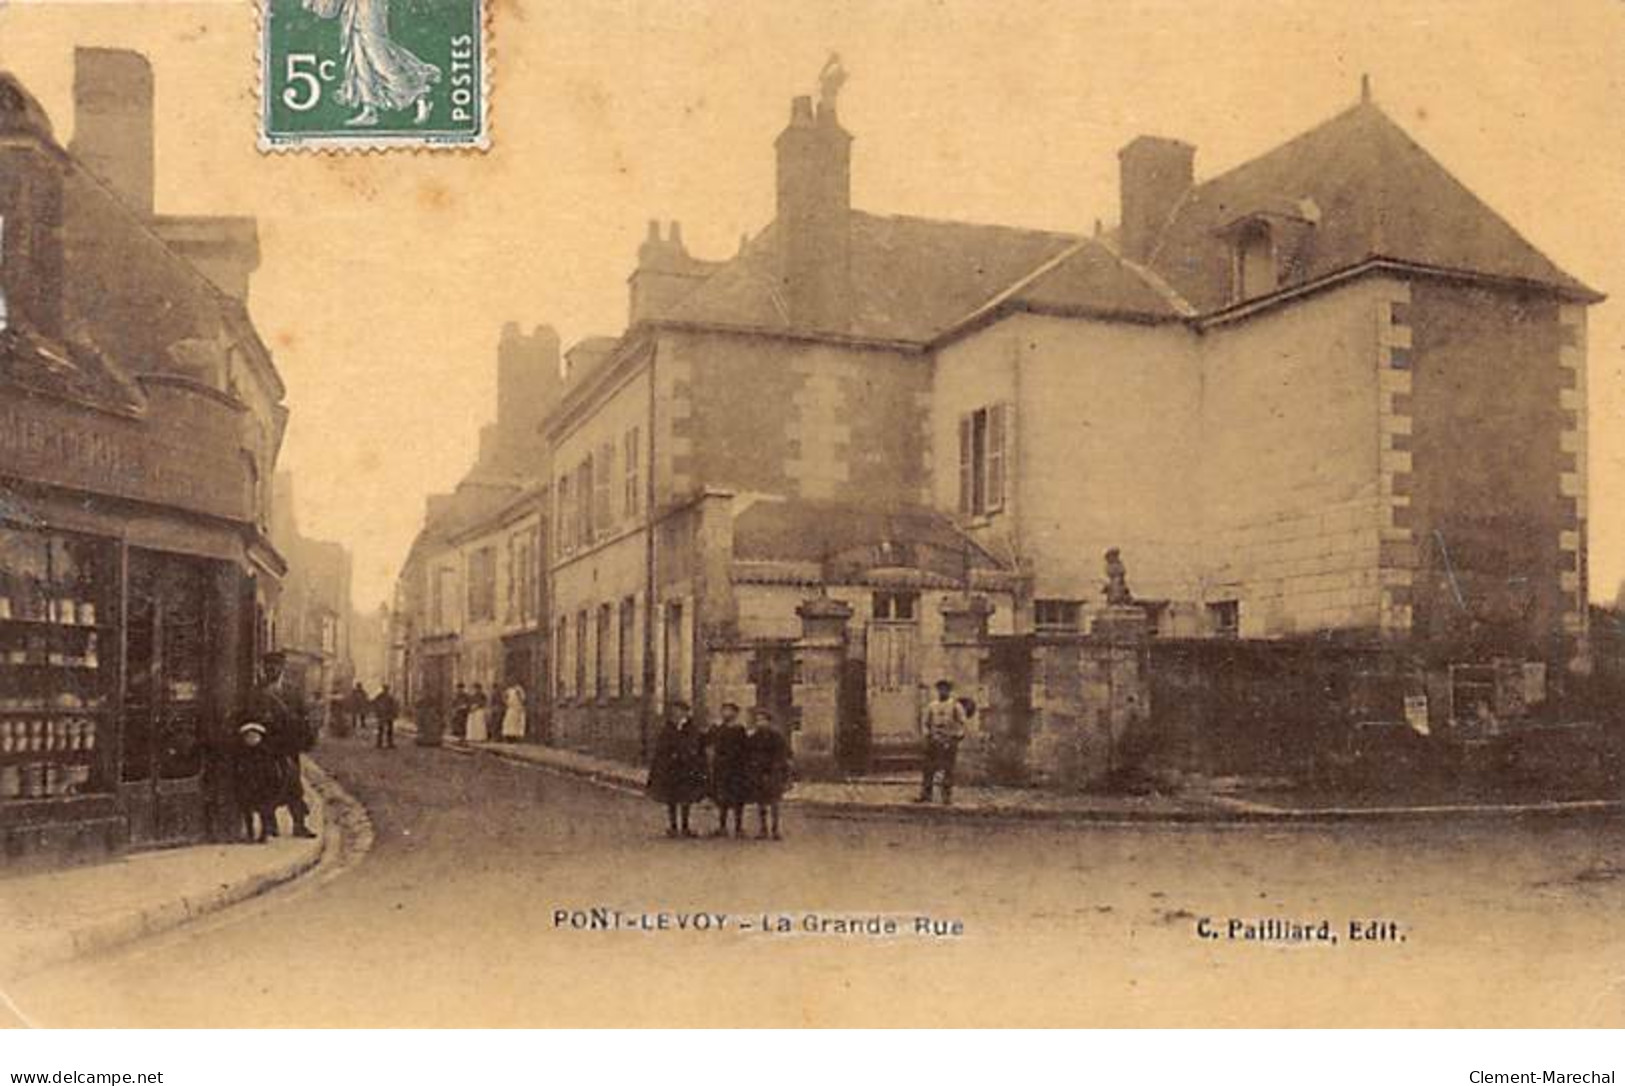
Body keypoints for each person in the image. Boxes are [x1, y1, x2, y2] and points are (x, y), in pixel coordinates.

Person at [299, 0, 441, 128]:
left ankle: (420, 94)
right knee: (358, 54)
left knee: (379, 56)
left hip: (371, 6)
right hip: (354, 7)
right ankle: (369, 108)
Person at [253, 652, 317, 838]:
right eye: (268, 666)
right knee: (266, 785)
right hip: (267, 747)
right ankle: (269, 825)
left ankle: (299, 824)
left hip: (288, 746)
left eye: (275, 666)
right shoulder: (258, 692)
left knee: (293, 786)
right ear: (264, 668)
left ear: (282, 668)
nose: (272, 670)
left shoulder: (291, 691)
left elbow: (303, 716)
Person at [646, 700, 707, 838]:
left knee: (686, 798)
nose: (677, 713)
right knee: (671, 798)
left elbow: (696, 745)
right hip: (671, 769)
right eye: (675, 711)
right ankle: (673, 827)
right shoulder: (668, 728)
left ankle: (685, 827)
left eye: (680, 710)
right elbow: (661, 746)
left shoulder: (692, 728)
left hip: (686, 768)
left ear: (686, 712)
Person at [742, 707, 792, 840]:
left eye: (763, 720)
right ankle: (763, 829)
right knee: (761, 802)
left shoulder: (777, 737)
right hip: (758, 773)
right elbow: (747, 753)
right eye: (758, 720)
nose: (760, 723)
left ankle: (775, 829)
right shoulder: (753, 737)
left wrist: (778, 769)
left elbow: (784, 754)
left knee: (774, 802)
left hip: (773, 773)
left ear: (769, 722)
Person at [916, 679, 968, 805]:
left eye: (945, 689)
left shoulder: (955, 705)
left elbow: (962, 723)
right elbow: (925, 723)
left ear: (949, 691)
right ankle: (926, 794)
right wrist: (927, 735)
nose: (942, 691)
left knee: (948, 769)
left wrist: (957, 736)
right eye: (940, 689)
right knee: (928, 768)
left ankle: (946, 796)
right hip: (934, 740)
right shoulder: (932, 706)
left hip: (949, 741)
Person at [232, 722, 282, 844]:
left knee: (264, 811)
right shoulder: (241, 753)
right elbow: (237, 770)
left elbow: (272, 771)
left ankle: (264, 833)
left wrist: (271, 785)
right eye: (248, 737)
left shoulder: (266, 753)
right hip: (246, 786)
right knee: (247, 811)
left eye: (255, 737)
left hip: (262, 786)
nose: (251, 740)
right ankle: (250, 833)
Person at [706, 702, 749, 838]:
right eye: (724, 711)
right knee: (722, 798)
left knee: (738, 799)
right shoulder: (719, 729)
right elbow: (709, 742)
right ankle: (722, 826)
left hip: (737, 769)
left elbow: (745, 749)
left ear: (735, 714)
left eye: (729, 711)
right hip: (722, 768)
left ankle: (738, 827)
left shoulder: (739, 729)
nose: (726, 714)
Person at [372, 684, 398, 749]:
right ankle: (380, 743)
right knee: (382, 729)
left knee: (388, 729)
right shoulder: (381, 696)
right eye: (385, 689)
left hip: (387, 715)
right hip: (383, 715)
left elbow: (393, 706)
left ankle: (388, 743)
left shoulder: (388, 697)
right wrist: (378, 711)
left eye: (387, 689)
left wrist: (394, 713)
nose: (386, 690)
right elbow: (375, 703)